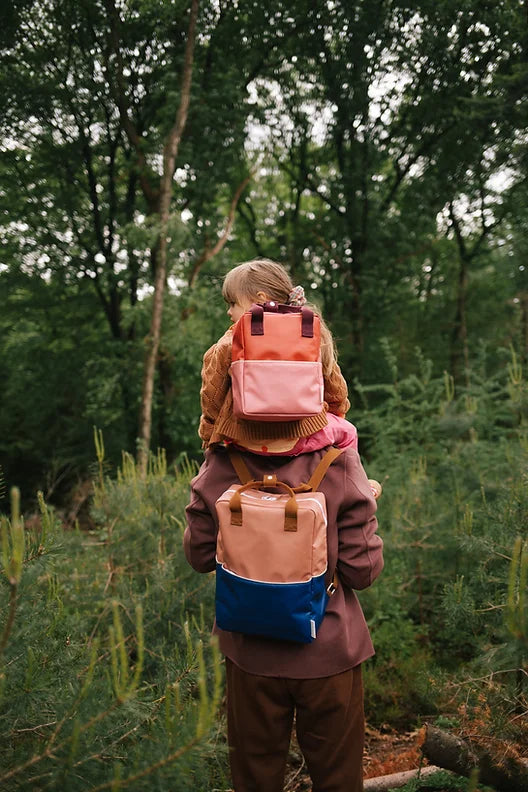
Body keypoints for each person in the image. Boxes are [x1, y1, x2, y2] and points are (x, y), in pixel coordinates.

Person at [184, 443, 384, 792]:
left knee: (255, 779)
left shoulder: (221, 461)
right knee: (338, 779)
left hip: (249, 656)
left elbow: (199, 555)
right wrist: (367, 510)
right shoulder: (338, 461)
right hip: (330, 652)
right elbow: (362, 571)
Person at [198, 257, 382, 496]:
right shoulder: (311, 332)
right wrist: (335, 414)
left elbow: (211, 394)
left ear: (260, 299)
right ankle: (358, 486)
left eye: (233, 303)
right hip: (303, 436)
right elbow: (335, 387)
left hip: (243, 438)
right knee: (348, 432)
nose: (229, 311)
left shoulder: (229, 341)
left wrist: (209, 435)